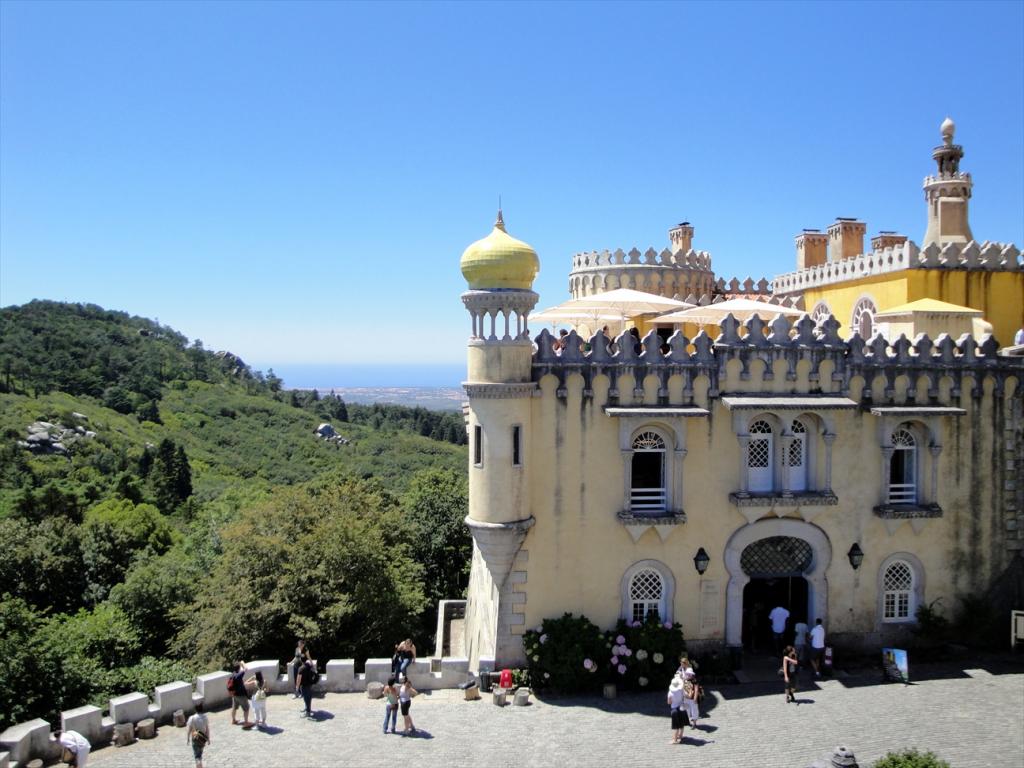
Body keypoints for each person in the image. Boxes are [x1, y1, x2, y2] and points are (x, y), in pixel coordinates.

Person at [186, 701, 210, 768]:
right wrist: (208, 739)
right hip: (203, 739)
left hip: (195, 738)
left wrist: (188, 738)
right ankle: (199, 765)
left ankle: (199, 766)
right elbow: (207, 729)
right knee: (200, 754)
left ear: (195, 709)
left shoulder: (192, 718)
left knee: (197, 755)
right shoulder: (205, 717)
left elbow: (189, 729)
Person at [230, 661, 252, 727]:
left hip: (234, 695)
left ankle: (233, 720)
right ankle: (246, 722)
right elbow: (246, 669)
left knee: (234, 708)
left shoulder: (233, 674)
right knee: (246, 708)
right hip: (241, 695)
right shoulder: (239, 675)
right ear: (239, 668)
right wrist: (242, 663)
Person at [667, 675, 688, 744]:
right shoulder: (681, 690)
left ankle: (675, 739)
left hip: (674, 709)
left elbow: (669, 702)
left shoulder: (670, 693)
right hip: (681, 707)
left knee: (676, 725)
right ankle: (681, 735)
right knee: (681, 723)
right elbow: (685, 695)